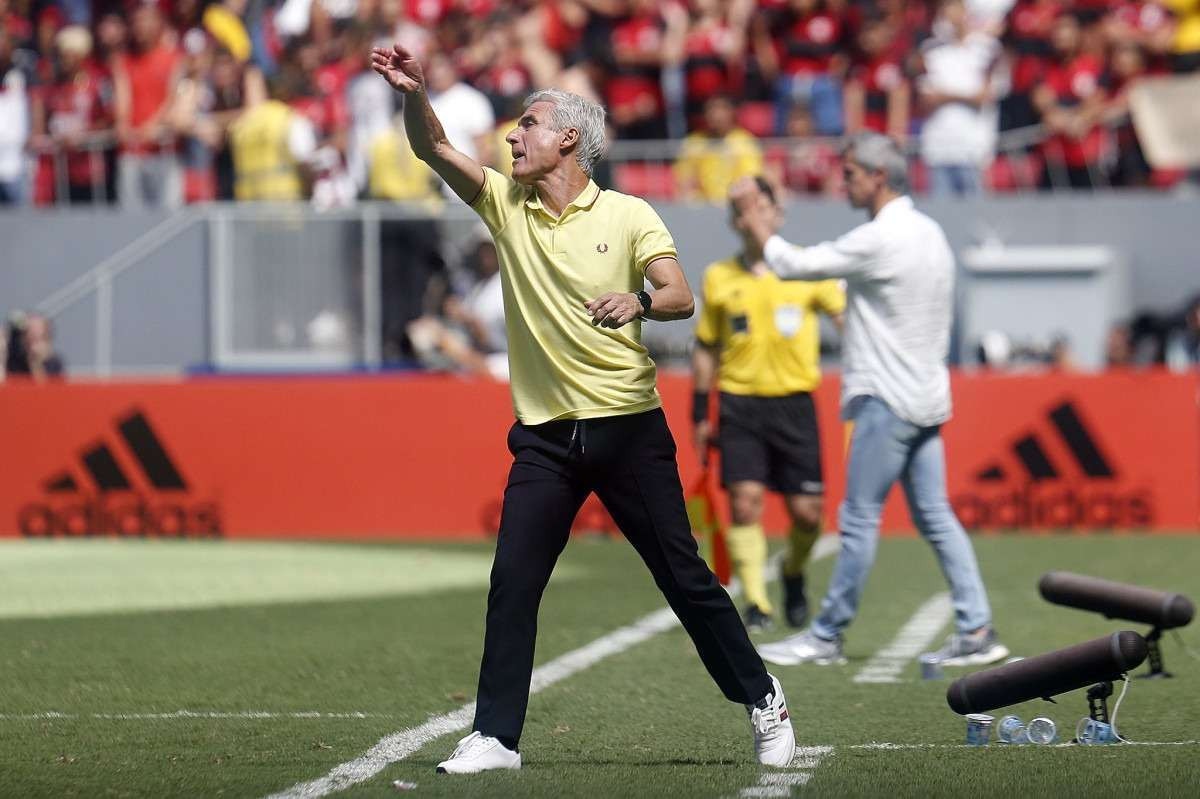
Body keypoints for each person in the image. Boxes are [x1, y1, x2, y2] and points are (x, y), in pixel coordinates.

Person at [371, 42, 796, 774]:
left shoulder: (630, 214)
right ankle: (497, 736)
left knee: (685, 581)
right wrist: (414, 92)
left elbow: (679, 294)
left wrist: (638, 299)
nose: (513, 136)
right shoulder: (505, 204)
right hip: (543, 439)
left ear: (567, 137)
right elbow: (434, 144)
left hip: (629, 430)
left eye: (526, 125)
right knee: (514, 582)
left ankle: (763, 697)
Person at [728, 133, 1008, 668]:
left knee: (858, 518)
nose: (844, 180)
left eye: (852, 172)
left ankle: (828, 634)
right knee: (935, 515)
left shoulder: (882, 238)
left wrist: (753, 215)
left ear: (879, 177)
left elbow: (790, 264)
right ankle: (975, 626)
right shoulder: (930, 233)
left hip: (887, 398)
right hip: (926, 395)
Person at [692, 175, 844, 633]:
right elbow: (706, 347)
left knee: (807, 513)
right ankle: (757, 601)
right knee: (744, 502)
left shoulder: (805, 269)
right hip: (740, 404)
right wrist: (700, 412)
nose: (750, 215)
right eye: (742, 208)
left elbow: (849, 319)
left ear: (779, 212)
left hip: (795, 404)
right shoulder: (719, 277)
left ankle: (793, 571)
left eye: (760, 205)